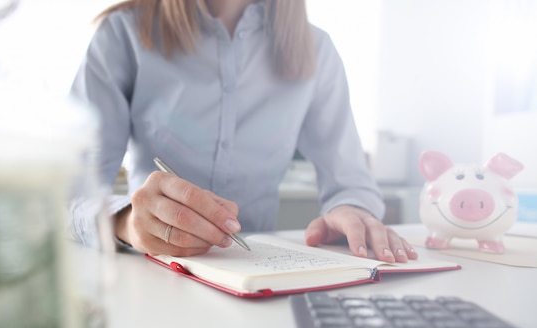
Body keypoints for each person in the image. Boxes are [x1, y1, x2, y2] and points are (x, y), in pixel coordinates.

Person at [70, 0, 418, 262]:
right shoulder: (123, 34)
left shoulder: (317, 50)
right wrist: (126, 222)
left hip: (257, 271)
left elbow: (350, 183)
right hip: (155, 271)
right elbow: (65, 194)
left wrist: (352, 209)